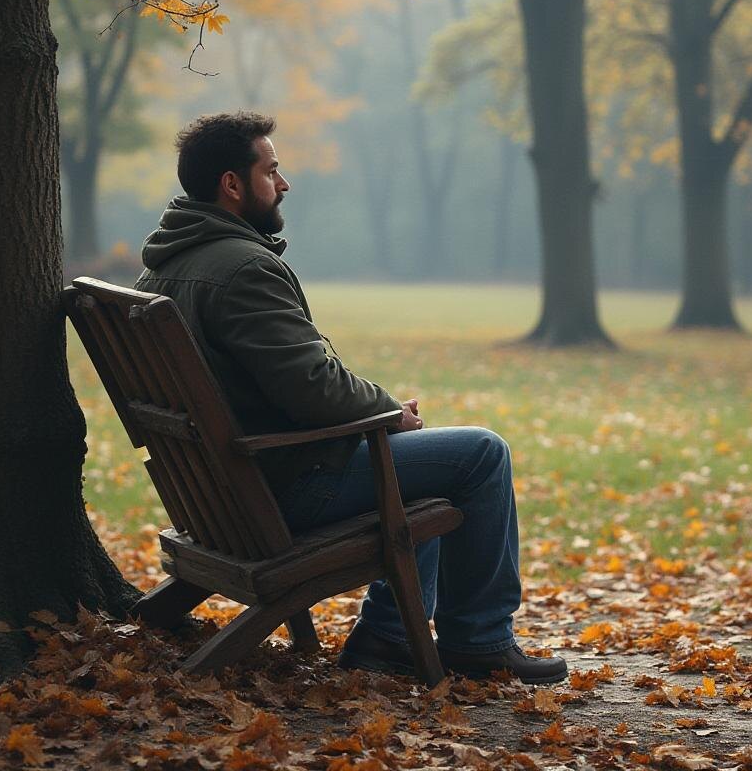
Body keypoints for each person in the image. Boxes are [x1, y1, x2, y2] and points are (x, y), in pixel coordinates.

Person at [135, 112, 568, 684]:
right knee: (481, 454)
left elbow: (298, 382)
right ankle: (478, 641)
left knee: (427, 466)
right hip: (283, 489)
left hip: (220, 496)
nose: (283, 183)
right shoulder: (242, 270)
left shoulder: (162, 272)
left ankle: (388, 638)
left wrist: (382, 418)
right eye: (271, 169)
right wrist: (390, 415)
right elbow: (314, 389)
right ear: (232, 184)